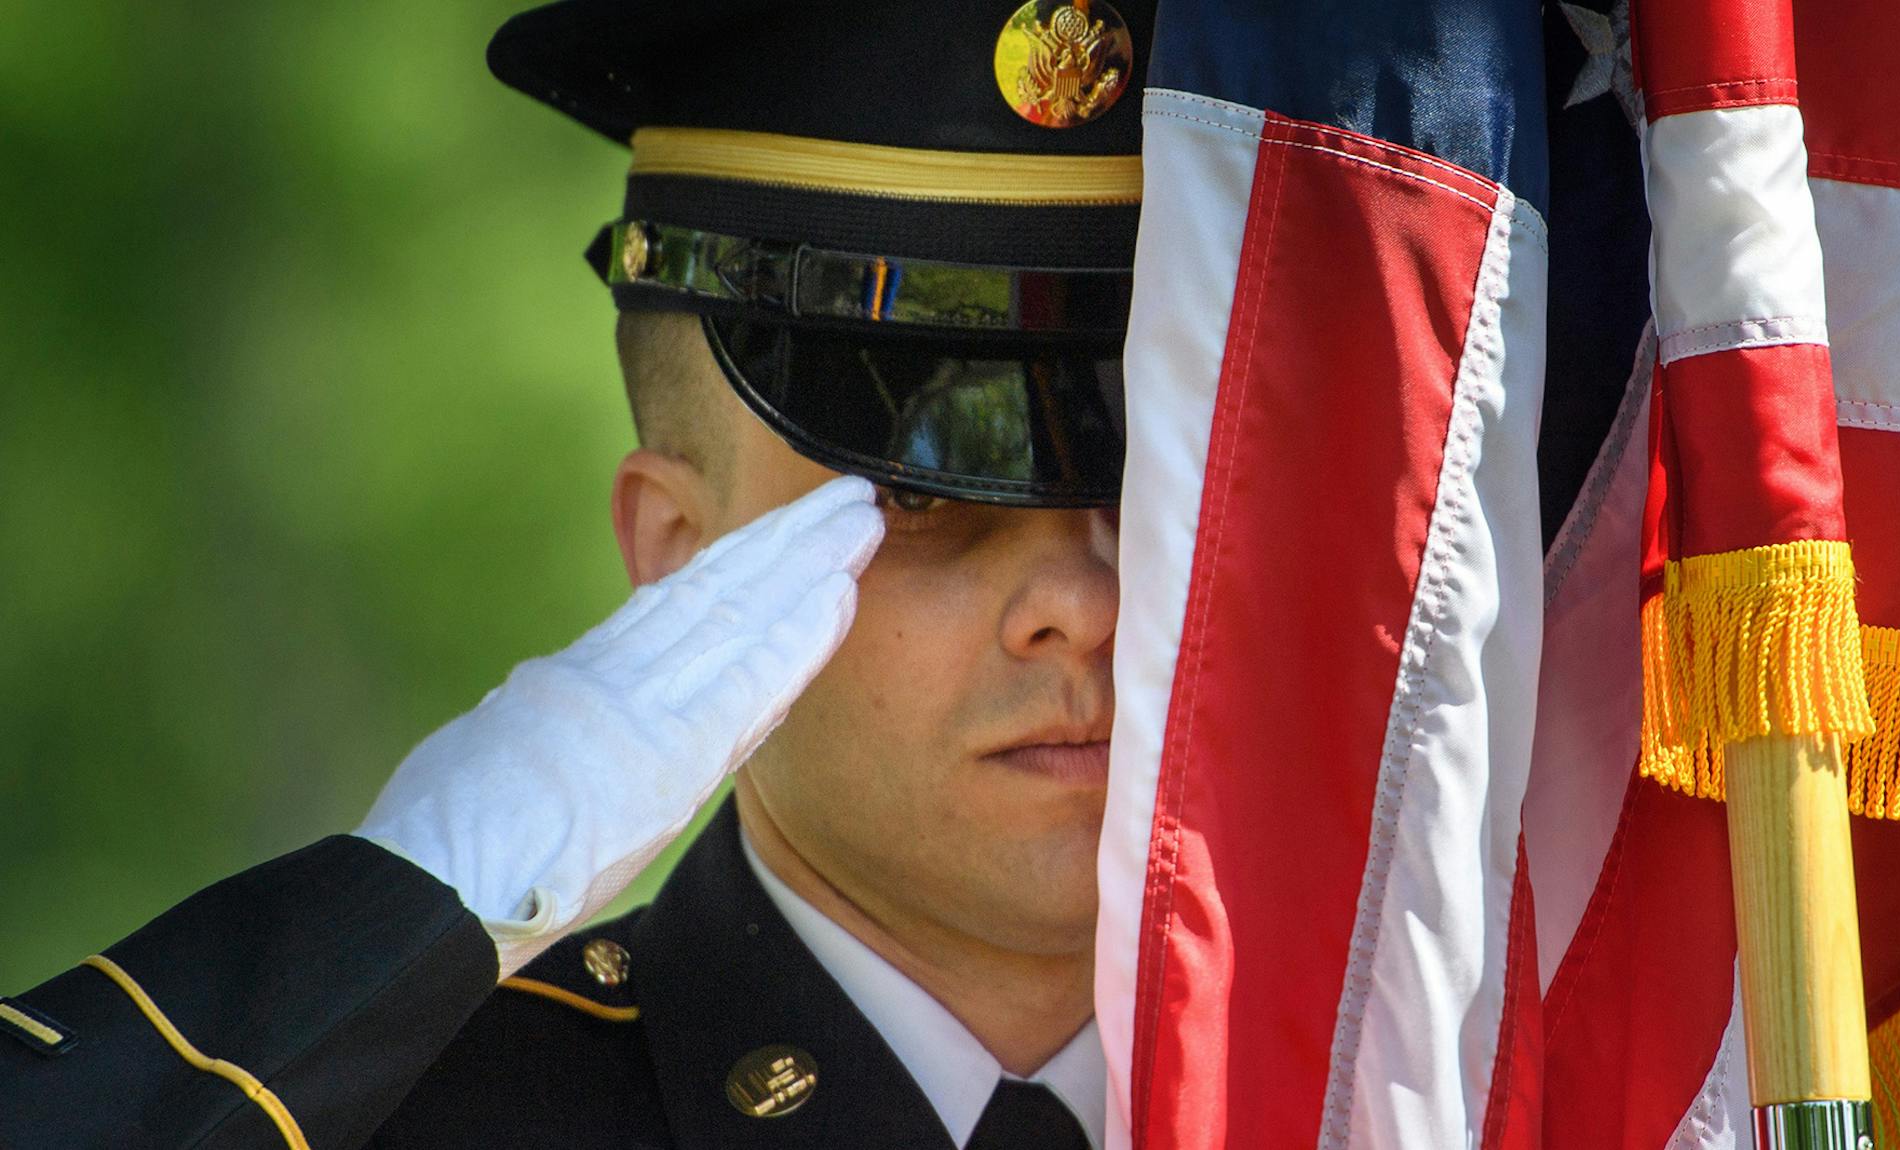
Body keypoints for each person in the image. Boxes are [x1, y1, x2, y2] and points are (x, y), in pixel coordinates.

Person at [0, 1, 1148, 1146]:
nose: (1084, 601)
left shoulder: (1332, 1095)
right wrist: (397, 916)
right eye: (919, 491)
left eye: (1157, 487)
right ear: (679, 555)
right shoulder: (417, 1115)